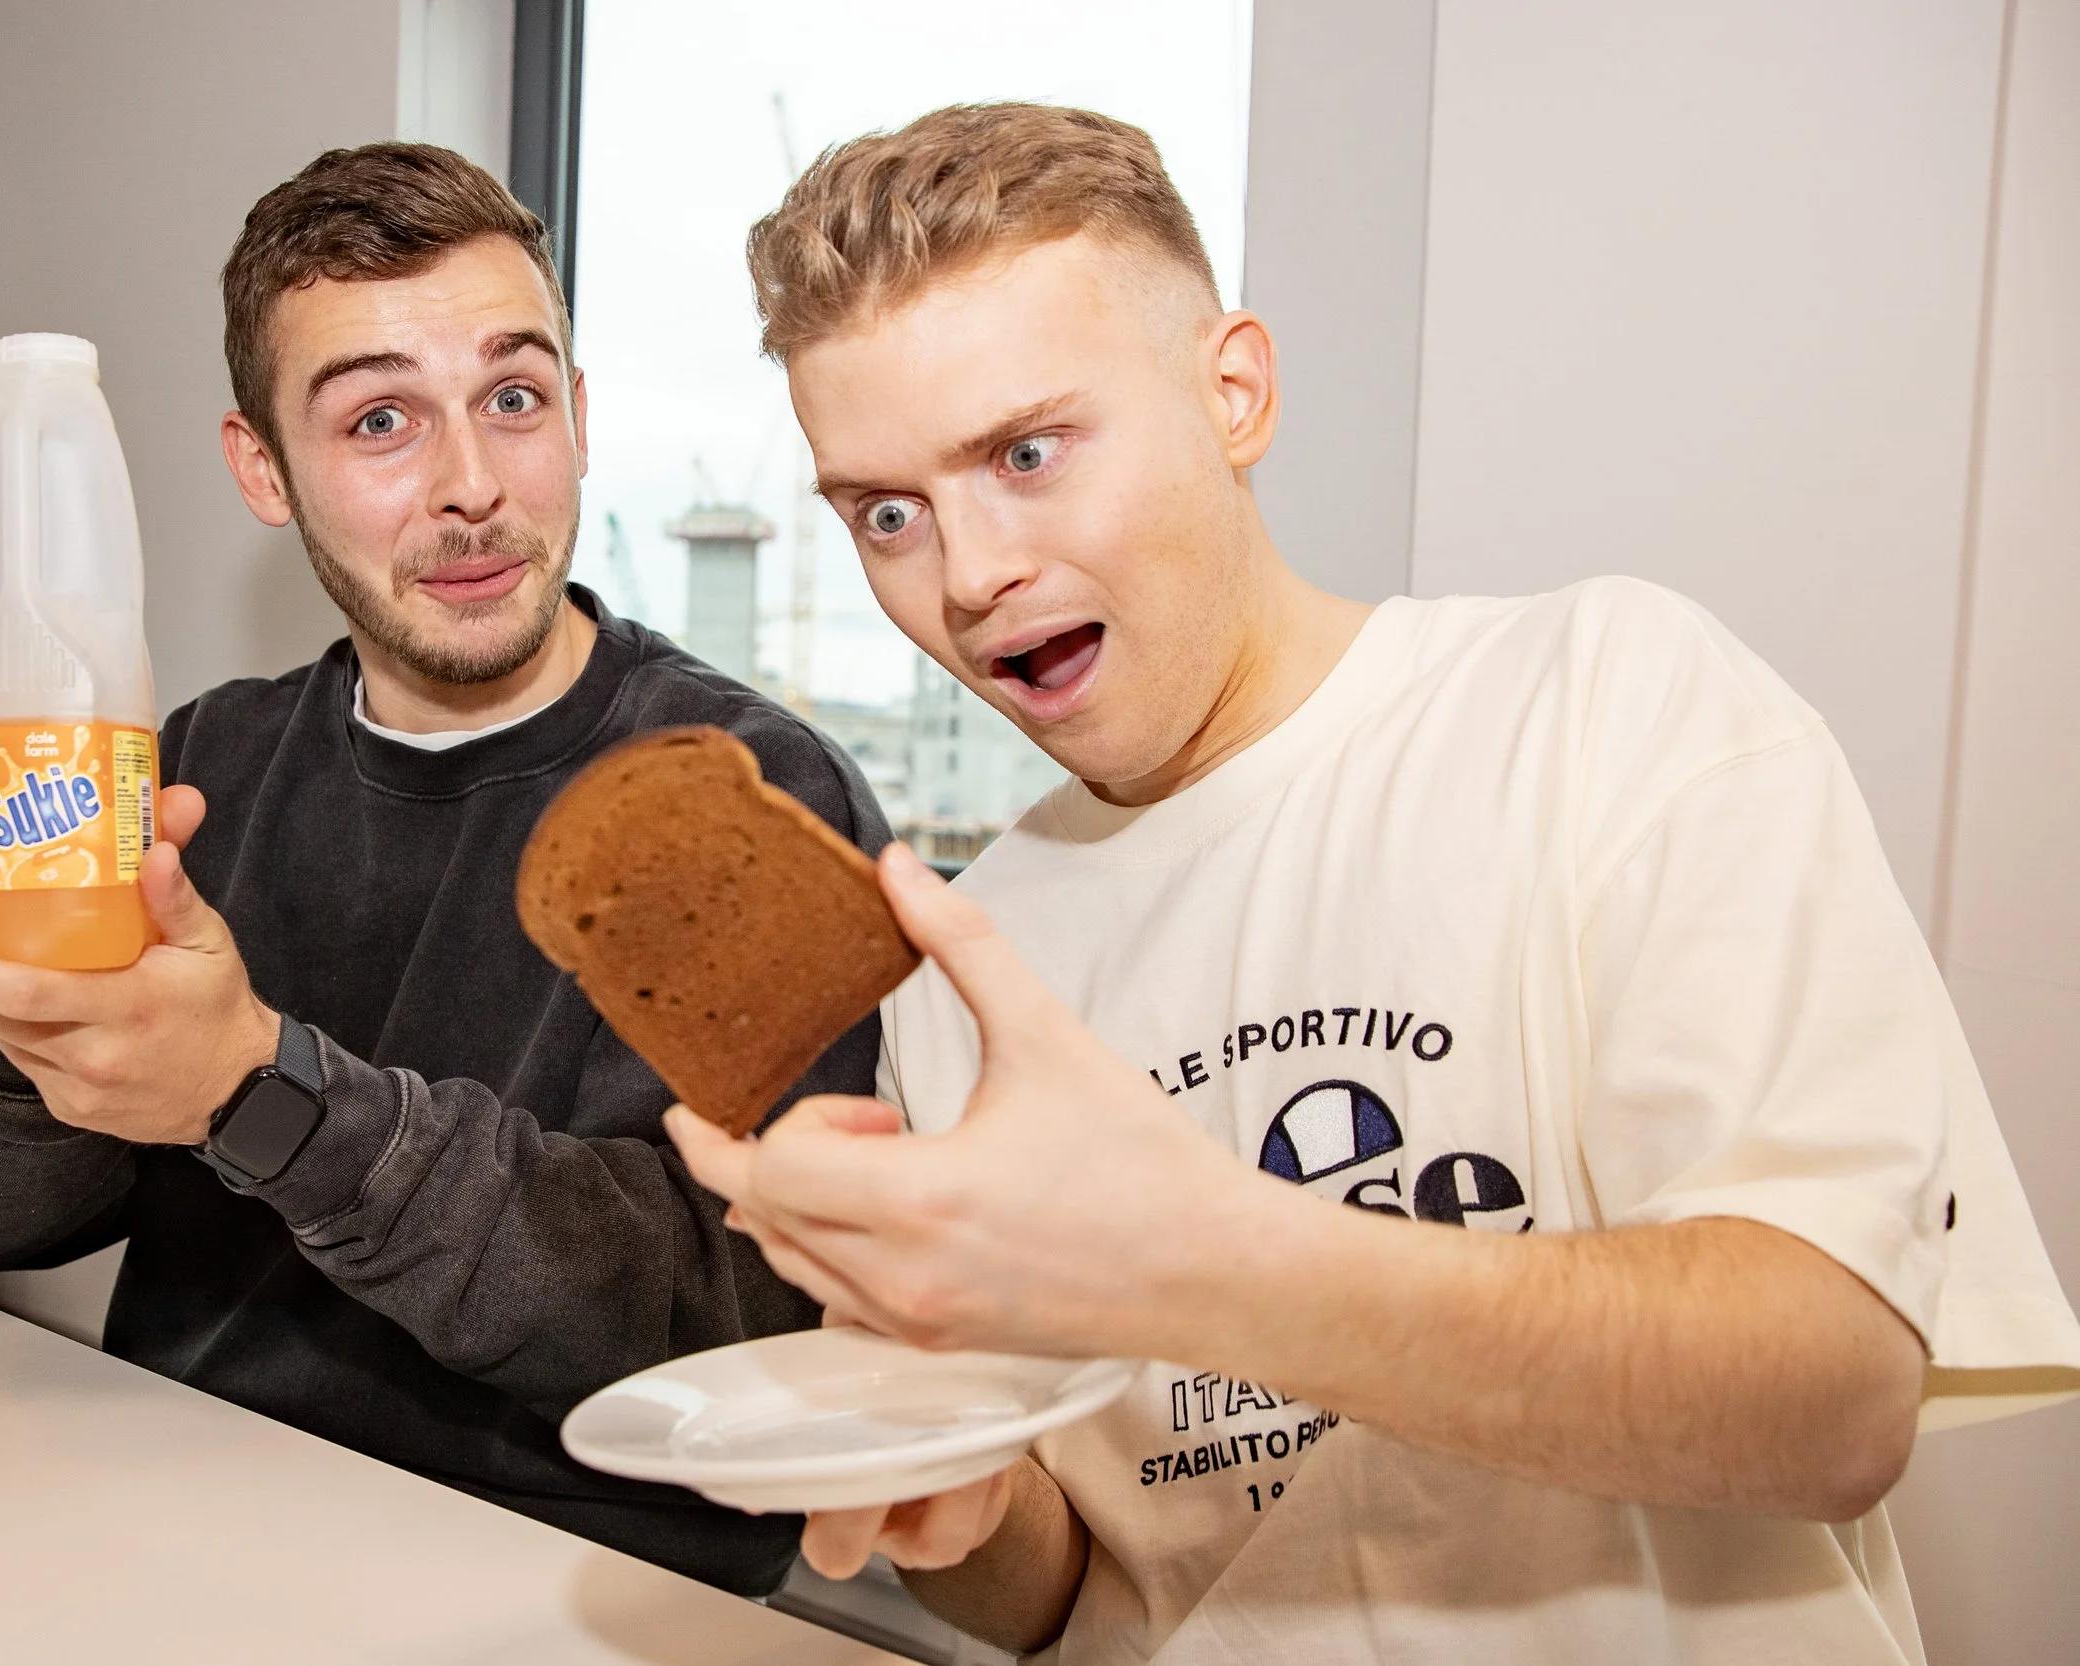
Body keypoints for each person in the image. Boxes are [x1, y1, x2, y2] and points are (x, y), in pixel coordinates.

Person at [670, 103, 2080, 1661]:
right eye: (886, 512)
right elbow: (1079, 1585)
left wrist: (1198, 1257)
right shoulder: (965, 964)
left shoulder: (1608, 704)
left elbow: (1833, 1392)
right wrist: (962, 1501)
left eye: (1026, 452)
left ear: (1235, 392)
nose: (968, 569)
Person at [0, 141, 890, 1598]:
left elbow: (735, 1322)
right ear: (262, 469)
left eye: (512, 396)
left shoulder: (742, 800)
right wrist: (14, 1000)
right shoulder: (192, 770)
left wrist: (255, 1086)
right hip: (169, 1532)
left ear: (581, 415)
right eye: (379, 420)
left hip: (579, 1590)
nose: (472, 484)